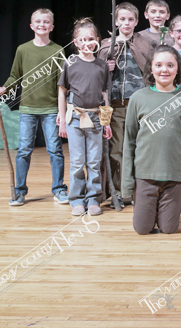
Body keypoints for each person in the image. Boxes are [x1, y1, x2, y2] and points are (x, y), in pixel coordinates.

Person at [0, 8, 68, 206]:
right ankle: (19, 191)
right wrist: (4, 89)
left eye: (46, 22)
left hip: (51, 109)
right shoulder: (23, 50)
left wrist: (62, 111)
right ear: (32, 26)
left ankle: (59, 189)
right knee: (24, 150)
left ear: (52, 26)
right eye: (38, 22)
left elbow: (63, 83)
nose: (42, 25)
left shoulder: (58, 50)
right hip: (27, 109)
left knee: (55, 150)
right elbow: (15, 76)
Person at [122, 45, 181, 234]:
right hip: (145, 175)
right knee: (142, 229)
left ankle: (166, 210)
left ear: (178, 69)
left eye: (170, 65)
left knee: (168, 229)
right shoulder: (138, 98)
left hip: (175, 176)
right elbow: (129, 141)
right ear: (150, 68)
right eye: (158, 65)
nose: (164, 70)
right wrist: (127, 183)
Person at [98, 2, 155, 206]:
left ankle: (139, 189)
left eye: (130, 19)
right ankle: (120, 191)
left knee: (139, 148)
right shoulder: (107, 44)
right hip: (115, 104)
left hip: (139, 105)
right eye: (122, 19)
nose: (126, 23)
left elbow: (151, 71)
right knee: (116, 149)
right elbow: (97, 74)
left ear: (137, 21)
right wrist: (106, 66)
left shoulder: (144, 43)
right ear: (116, 21)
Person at [58, 18, 112, 216]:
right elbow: (62, 91)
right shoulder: (70, 63)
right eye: (82, 39)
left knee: (94, 161)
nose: (87, 43)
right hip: (75, 118)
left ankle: (93, 199)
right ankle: (76, 199)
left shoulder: (101, 65)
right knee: (77, 161)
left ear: (97, 40)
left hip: (96, 118)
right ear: (76, 42)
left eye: (90, 39)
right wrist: (61, 119)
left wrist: (106, 122)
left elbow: (104, 94)